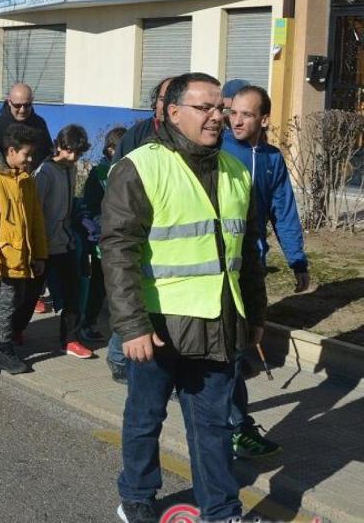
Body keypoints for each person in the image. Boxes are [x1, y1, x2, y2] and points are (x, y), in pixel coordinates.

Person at [101, 72, 267, 523]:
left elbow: (247, 252)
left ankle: (221, 510)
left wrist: (254, 315)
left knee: (213, 426)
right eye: (206, 108)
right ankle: (136, 495)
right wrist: (131, 325)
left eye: (222, 108)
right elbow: (117, 251)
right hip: (158, 326)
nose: (219, 117)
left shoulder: (235, 172)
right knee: (145, 418)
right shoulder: (140, 167)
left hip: (218, 322)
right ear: (173, 113)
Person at [223, 84, 309, 460]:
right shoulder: (218, 151)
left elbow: (284, 211)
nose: (236, 120)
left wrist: (297, 258)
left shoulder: (271, 159)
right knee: (227, 353)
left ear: (263, 119)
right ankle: (235, 427)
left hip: (251, 265)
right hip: (219, 264)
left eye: (246, 114)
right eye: (233, 112)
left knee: (234, 350)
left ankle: (230, 421)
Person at [105, 76, 175, 381]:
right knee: (133, 299)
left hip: (169, 241)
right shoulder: (137, 136)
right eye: (164, 98)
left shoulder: (187, 138)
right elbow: (116, 183)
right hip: (137, 230)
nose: (169, 104)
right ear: (155, 104)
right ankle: (118, 358)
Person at [0, 123, 47, 374]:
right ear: (12, 151)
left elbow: (35, 220)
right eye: (26, 154)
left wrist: (39, 254)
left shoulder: (26, 180)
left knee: (18, 301)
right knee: (9, 303)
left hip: (23, 256)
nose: (30, 159)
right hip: (4, 257)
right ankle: (3, 350)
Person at [35, 125, 94, 359]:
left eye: (78, 154)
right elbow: (35, 210)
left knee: (72, 293)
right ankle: (6, 329)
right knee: (26, 296)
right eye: (69, 151)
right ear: (58, 146)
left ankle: (70, 339)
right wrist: (37, 246)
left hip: (65, 242)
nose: (73, 157)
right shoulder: (44, 172)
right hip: (44, 245)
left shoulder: (71, 170)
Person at [78, 126, 126, 353]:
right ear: (110, 149)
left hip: (122, 238)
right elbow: (92, 206)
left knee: (114, 286)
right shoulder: (99, 174)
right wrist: (99, 232)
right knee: (98, 284)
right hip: (102, 238)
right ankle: (87, 323)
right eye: (122, 149)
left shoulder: (127, 169)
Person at [0, 83, 54, 167]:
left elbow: (47, 155)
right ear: (9, 102)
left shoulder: (39, 124)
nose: (22, 110)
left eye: (27, 105)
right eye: (17, 105)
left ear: (32, 101)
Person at [113, 77, 173, 163]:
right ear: (155, 101)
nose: (164, 106)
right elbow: (117, 173)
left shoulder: (193, 136)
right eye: (162, 100)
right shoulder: (135, 135)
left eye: (172, 101)